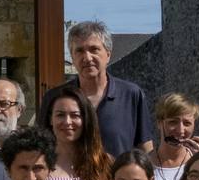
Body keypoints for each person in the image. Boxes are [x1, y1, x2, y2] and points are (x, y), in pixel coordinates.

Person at [41, 21, 154, 156]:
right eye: (79, 51)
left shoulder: (131, 95)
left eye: (94, 49)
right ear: (72, 57)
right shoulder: (55, 98)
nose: (87, 58)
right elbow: (42, 147)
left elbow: (145, 149)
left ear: (108, 54)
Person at [45, 86, 110, 180]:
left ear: (85, 120)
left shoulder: (103, 161)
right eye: (60, 115)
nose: (67, 122)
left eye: (75, 115)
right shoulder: (40, 163)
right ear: (51, 120)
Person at [149, 93, 199, 180]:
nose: (180, 130)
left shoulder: (197, 162)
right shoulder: (144, 163)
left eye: (187, 123)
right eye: (173, 122)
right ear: (159, 123)